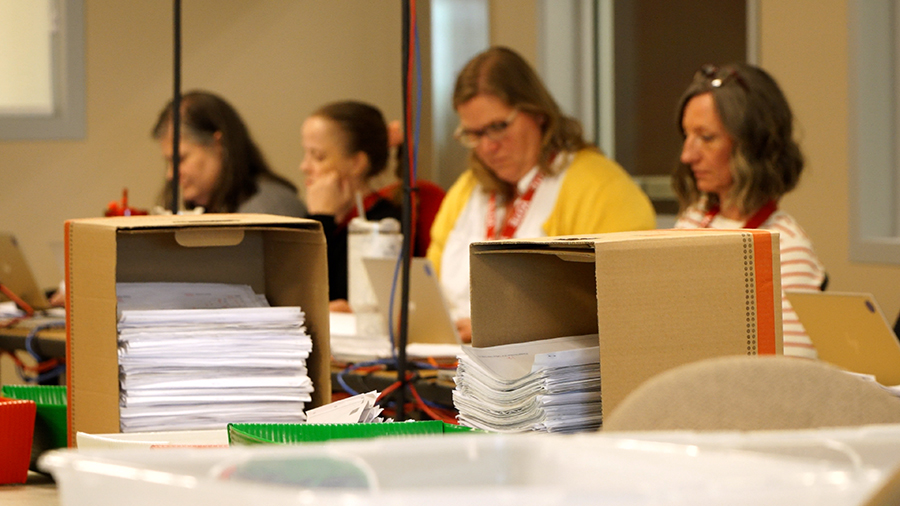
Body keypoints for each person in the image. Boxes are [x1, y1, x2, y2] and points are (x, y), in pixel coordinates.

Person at [427, 46, 656, 342]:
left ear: (537, 114)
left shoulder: (601, 187)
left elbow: (624, 305)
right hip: (452, 367)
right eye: (474, 134)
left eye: (497, 127)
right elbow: (429, 287)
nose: (487, 147)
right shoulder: (467, 188)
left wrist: (503, 328)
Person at [672, 63, 826, 359]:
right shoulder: (691, 220)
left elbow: (789, 377)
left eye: (706, 138)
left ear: (752, 147)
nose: (687, 155)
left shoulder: (785, 248)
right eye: (686, 136)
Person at [300, 101, 403, 311]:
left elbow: (310, 287)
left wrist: (322, 218)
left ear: (357, 163)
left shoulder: (383, 225)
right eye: (306, 154)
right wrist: (320, 217)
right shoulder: (319, 217)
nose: (304, 167)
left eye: (318, 156)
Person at [153, 90, 307, 217]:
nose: (170, 175)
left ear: (218, 145)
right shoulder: (219, 209)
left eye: (180, 159)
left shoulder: (268, 210)